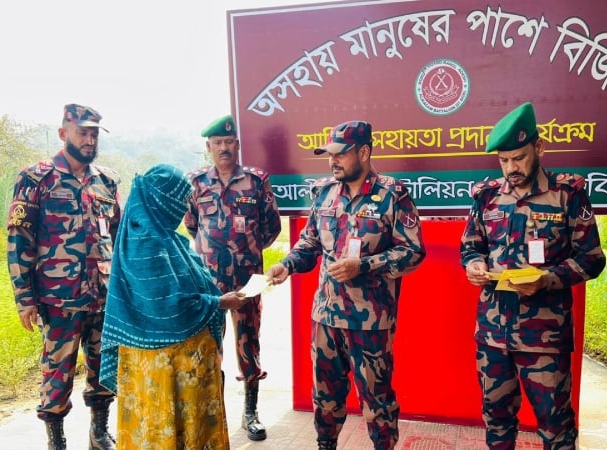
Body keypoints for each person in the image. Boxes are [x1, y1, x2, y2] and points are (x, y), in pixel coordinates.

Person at [266, 120, 426, 450]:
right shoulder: (323, 192)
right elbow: (309, 243)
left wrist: (364, 265)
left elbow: (412, 252)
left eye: (340, 154)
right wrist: (286, 265)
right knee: (325, 398)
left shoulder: (393, 195)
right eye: (329, 155)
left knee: (377, 401)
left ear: (364, 152)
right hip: (326, 317)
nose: (332, 161)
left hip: (370, 321)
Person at [459, 102, 606, 450]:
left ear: (539, 148)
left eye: (519, 158)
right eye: (504, 160)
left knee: (556, 428)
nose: (511, 168)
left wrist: (547, 279)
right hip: (493, 334)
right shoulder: (487, 196)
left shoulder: (566, 194)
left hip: (545, 338)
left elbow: (592, 259)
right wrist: (474, 265)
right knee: (496, 420)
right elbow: (470, 247)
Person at [98, 163, 248, 450]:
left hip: (173, 365)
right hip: (164, 368)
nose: (183, 208)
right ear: (162, 201)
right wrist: (218, 302)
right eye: (179, 201)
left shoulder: (163, 237)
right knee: (165, 430)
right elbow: (167, 307)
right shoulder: (146, 242)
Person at [7, 104, 120, 450]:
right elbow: (19, 240)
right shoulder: (35, 179)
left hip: (102, 295)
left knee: (103, 369)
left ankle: (99, 433)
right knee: (57, 374)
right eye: (82, 132)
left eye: (94, 134)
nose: (89, 140)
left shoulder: (107, 181)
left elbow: (117, 239)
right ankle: (56, 440)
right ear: (63, 134)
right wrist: (24, 298)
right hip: (58, 298)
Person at [184, 114, 282, 441]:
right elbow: (192, 226)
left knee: (248, 345)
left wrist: (247, 252)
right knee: (210, 347)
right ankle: (214, 412)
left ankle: (250, 412)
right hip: (209, 284)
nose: (224, 148)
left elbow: (272, 227)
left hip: (247, 282)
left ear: (237, 144)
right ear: (208, 147)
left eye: (229, 142)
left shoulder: (256, 181)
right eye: (217, 143)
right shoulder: (196, 183)